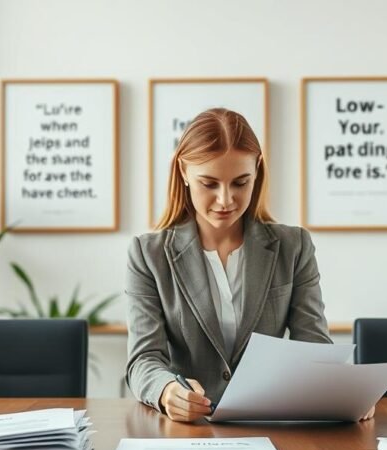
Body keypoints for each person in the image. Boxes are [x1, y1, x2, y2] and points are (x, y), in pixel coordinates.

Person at [125, 108, 373, 423]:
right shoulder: (148, 254)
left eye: (240, 183)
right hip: (187, 429)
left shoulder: (293, 247)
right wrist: (166, 391)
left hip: (269, 425)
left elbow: (314, 347)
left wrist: (347, 390)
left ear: (257, 172)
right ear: (184, 172)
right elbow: (143, 360)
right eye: (209, 184)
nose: (226, 200)